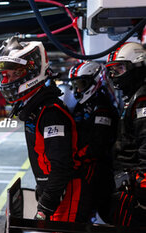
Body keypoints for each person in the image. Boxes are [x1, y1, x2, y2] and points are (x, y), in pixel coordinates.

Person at [0, 36, 93, 222]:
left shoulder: (51, 113)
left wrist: (46, 205)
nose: (7, 80)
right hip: (55, 191)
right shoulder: (35, 108)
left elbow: (61, 167)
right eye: (5, 75)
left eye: (14, 73)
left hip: (66, 193)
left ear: (32, 72)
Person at [69, 61, 119, 223]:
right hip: (86, 169)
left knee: (84, 215)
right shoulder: (85, 104)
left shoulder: (101, 106)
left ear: (94, 81)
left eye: (81, 84)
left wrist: (76, 157)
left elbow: (97, 146)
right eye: (75, 85)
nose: (77, 89)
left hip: (97, 172)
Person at [105, 42, 146, 227]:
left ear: (137, 66)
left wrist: (141, 183)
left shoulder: (142, 99)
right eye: (113, 71)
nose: (115, 75)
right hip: (127, 180)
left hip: (135, 186)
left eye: (120, 69)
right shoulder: (134, 96)